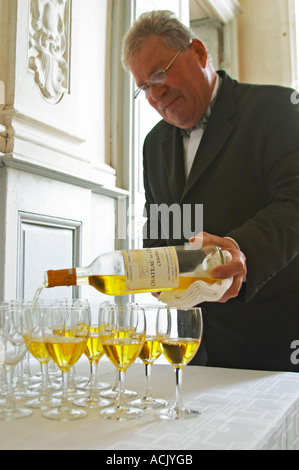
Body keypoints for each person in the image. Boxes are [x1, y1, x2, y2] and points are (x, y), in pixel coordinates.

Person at [121, 10, 299, 372]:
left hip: (274, 341)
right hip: (193, 349)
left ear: (199, 53)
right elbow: (164, 228)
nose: (155, 94)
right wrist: (156, 267)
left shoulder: (277, 109)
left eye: (160, 73)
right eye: (144, 87)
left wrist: (240, 250)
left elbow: (293, 204)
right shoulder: (153, 144)